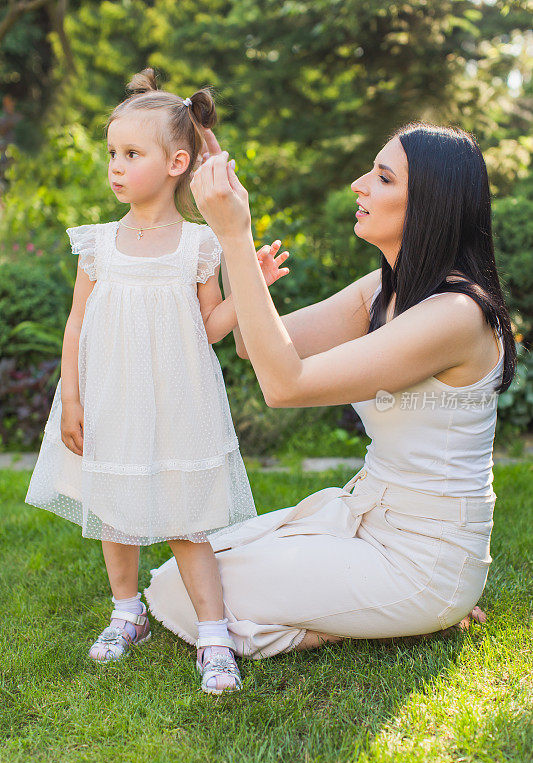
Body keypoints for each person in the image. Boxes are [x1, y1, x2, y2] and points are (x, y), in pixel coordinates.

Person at [145, 123, 517, 660]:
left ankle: (404, 615)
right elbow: (256, 346)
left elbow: (284, 385)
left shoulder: (456, 315)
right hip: (361, 518)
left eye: (383, 178)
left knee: (188, 596)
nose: (358, 185)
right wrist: (237, 243)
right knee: (190, 568)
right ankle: (375, 615)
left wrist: (232, 233)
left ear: (430, 206)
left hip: (422, 559)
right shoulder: (383, 291)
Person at [24, 68, 290, 693]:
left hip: (177, 401)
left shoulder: (198, 246)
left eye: (131, 154)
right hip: (112, 396)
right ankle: (127, 612)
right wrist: (70, 396)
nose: (115, 166)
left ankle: (215, 633)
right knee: (113, 512)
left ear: (176, 162)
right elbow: (76, 323)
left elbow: (214, 327)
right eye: (112, 153)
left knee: (185, 519)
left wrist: (253, 281)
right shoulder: (99, 245)